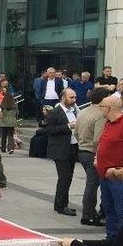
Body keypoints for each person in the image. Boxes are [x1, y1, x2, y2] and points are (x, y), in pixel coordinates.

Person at [96, 95, 123, 238]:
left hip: (119, 178)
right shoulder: (108, 123)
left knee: (122, 212)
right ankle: (111, 241)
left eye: (101, 106)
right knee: (109, 211)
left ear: (108, 108)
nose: (100, 109)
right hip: (105, 176)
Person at [76, 88, 114, 227]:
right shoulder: (100, 115)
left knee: (91, 184)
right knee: (92, 185)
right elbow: (98, 139)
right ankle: (88, 214)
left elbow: (76, 132)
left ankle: (90, 212)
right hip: (92, 152)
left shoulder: (83, 111)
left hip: (82, 150)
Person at [45, 88, 80, 216]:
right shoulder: (55, 112)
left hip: (72, 147)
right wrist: (67, 127)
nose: (74, 100)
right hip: (60, 149)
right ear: (63, 97)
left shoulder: (74, 111)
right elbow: (49, 130)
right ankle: (61, 205)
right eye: (71, 97)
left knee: (68, 178)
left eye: (75, 97)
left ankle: (59, 203)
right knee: (64, 178)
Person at [0, 88, 18, 154]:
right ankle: (10, 148)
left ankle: (3, 148)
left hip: (3, 122)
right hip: (11, 122)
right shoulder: (14, 105)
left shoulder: (2, 104)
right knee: (10, 135)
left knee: (3, 135)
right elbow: (17, 113)